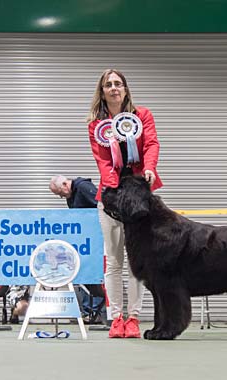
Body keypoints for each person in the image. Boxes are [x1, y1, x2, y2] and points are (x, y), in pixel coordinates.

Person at [85, 69, 162, 338]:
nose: (114, 88)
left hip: (141, 195)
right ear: (102, 91)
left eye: (118, 83)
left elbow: (151, 144)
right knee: (114, 261)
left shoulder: (143, 115)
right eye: (109, 84)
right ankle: (116, 317)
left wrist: (149, 169)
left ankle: (135, 317)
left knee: (138, 261)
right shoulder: (96, 125)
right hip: (111, 196)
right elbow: (102, 160)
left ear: (126, 89)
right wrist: (115, 188)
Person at [49, 175, 106, 324]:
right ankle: (89, 311)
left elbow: (102, 207)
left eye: (60, 193)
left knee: (96, 275)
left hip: (96, 241)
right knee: (85, 275)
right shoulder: (71, 195)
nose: (61, 196)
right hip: (85, 242)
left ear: (65, 184)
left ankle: (99, 311)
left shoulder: (83, 188)